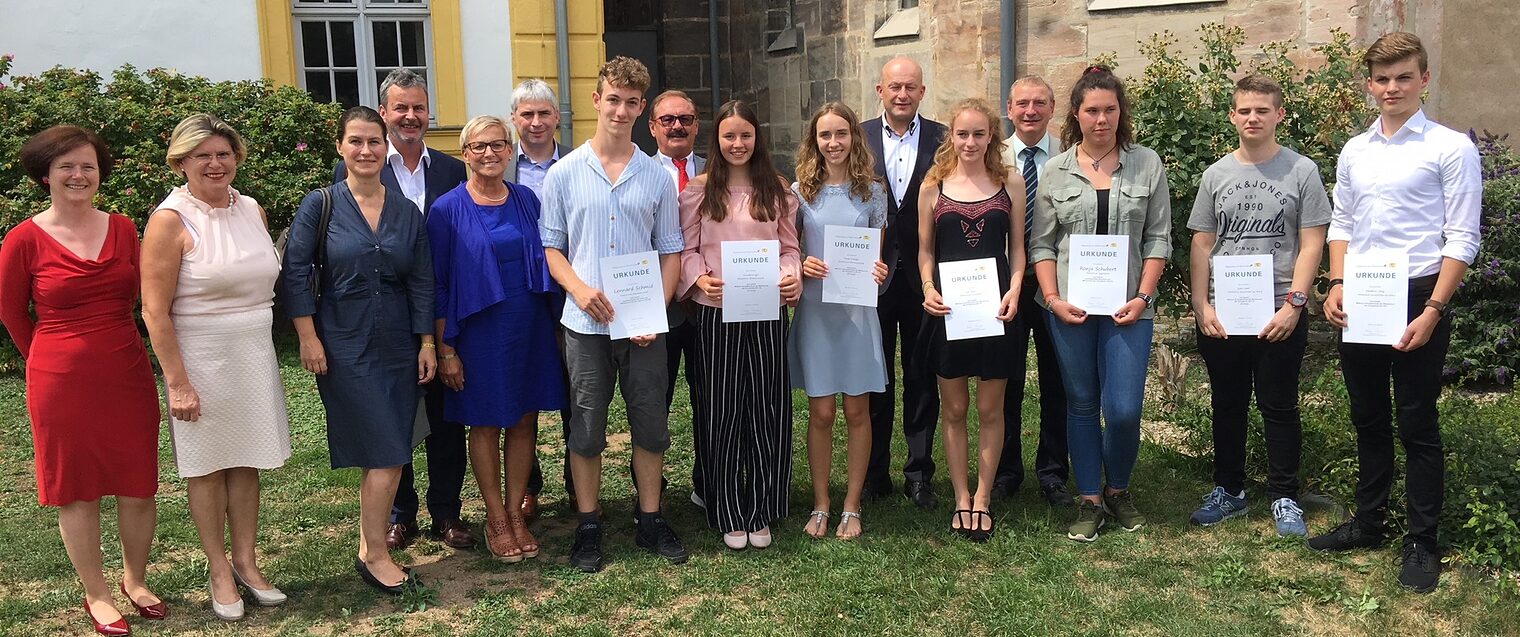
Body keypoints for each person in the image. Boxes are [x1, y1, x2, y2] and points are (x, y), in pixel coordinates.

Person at [1309, 32, 1481, 594]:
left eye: (1403, 77)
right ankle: (1369, 522)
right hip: (1362, 292)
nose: (1391, 88)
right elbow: (1344, 225)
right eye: (1382, 79)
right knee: (1368, 417)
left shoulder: (1450, 148)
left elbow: (1462, 237)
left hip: (1419, 295)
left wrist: (1433, 310)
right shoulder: (1355, 150)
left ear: (1423, 80)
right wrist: (1336, 284)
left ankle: (1422, 539)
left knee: (1417, 422)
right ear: (1369, 85)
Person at [1, 126, 166, 636]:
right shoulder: (22, 239)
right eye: (66, 166)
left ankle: (135, 581)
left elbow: (145, 298)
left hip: (126, 369)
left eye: (88, 165)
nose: (78, 174)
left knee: (138, 484)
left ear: (100, 173)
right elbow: (11, 313)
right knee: (78, 489)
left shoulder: (124, 229)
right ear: (45, 174)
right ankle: (97, 593)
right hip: (60, 380)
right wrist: (48, 361)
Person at [539, 56, 689, 573]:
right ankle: (588, 523)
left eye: (631, 102)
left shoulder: (656, 178)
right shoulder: (562, 174)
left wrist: (657, 310)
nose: (620, 110)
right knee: (586, 425)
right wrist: (578, 290)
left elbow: (671, 249)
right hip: (584, 324)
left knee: (651, 424)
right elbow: (552, 248)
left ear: (640, 107)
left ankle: (650, 518)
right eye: (613, 99)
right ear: (596, 100)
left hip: (643, 327)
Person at [141, 114, 292, 620]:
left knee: (246, 460)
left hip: (253, 352)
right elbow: (154, 310)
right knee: (207, 467)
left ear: (236, 158)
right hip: (200, 358)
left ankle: (247, 563)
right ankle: (218, 568)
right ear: (181, 161)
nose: (214, 163)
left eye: (223, 153)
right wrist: (177, 382)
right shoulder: (168, 220)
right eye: (201, 155)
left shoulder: (252, 209)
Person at [285, 106, 435, 594]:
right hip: (343, 342)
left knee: (391, 443)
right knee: (387, 447)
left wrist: (426, 341)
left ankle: (371, 544)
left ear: (384, 147)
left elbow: (421, 280)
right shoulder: (320, 204)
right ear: (341, 147)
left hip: (397, 341)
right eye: (356, 141)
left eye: (374, 142)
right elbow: (294, 271)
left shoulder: (406, 211)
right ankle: (373, 552)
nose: (366, 151)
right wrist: (307, 337)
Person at [1029, 67, 1172, 543]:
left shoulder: (1146, 164)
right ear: (1076, 114)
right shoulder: (1057, 170)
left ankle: (1119, 489)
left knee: (1125, 408)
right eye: (1092, 110)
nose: (1102, 119)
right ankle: (1090, 499)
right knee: (1083, 403)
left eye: (1110, 109)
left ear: (1120, 112)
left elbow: (1158, 239)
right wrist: (1051, 299)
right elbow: (1043, 245)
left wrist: (1143, 296)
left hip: (1130, 308)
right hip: (1071, 308)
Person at [1187, 74, 1331, 537]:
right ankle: (1228, 490)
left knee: (1280, 405)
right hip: (1224, 313)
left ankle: (1285, 496)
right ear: (1232, 116)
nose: (1253, 118)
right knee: (1227, 404)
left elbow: (1313, 242)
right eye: (1244, 110)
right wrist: (1200, 304)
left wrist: (1295, 303)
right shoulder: (1216, 175)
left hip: (1278, 310)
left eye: (1262, 110)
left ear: (1279, 115)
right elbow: (1203, 243)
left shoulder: (1301, 171)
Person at [335, 69, 472, 551]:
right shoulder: (361, 165)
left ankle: (448, 512)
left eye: (418, 107)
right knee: (395, 417)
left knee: (446, 416)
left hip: (441, 308)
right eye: (400, 108)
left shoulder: (453, 171)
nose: (410, 116)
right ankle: (400, 514)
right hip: (385, 318)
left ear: (429, 112)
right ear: (384, 113)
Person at [429, 116, 566, 561]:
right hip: (478, 330)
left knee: (525, 419)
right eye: (478, 146)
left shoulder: (526, 198)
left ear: (510, 151)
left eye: (497, 145)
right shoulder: (447, 209)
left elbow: (550, 254)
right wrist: (446, 348)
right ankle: (495, 518)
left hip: (528, 325)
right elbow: (439, 284)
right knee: (486, 422)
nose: (489, 154)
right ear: (465, 153)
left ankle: (515, 510)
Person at [678, 99, 802, 550]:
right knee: (723, 410)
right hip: (718, 313)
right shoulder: (699, 191)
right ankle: (729, 506)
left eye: (745, 135)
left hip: (767, 310)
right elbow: (687, 251)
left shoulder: (777, 190)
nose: (737, 144)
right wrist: (699, 281)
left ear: (757, 137)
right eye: (729, 136)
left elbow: (789, 248)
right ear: (718, 140)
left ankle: (762, 506)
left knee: (767, 409)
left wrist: (792, 277)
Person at [916, 98, 1025, 542]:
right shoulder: (933, 186)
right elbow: (926, 251)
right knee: (956, 407)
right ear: (952, 137)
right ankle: (961, 495)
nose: (970, 142)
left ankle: (983, 496)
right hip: (951, 310)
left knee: (990, 408)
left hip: (996, 308)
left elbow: (1017, 247)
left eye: (979, 134)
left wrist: (1016, 287)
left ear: (991, 137)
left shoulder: (1010, 183)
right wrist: (927, 289)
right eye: (963, 134)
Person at [789, 102, 890, 540]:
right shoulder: (798, 193)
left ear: (854, 137)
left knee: (856, 409)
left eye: (841, 134)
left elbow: (877, 257)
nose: (833, 143)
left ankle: (851, 505)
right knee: (822, 411)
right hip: (816, 310)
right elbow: (788, 250)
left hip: (857, 312)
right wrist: (802, 262)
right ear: (815, 140)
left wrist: (879, 271)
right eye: (825, 135)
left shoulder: (873, 192)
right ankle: (821, 502)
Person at [862, 56, 948, 509]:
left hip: (922, 277)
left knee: (920, 377)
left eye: (910, 87)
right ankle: (874, 472)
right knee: (875, 377)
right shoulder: (855, 136)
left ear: (921, 92)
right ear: (880, 90)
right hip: (869, 275)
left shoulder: (944, 139)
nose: (902, 94)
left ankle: (919, 472)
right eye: (894, 86)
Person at [994, 75, 1073, 507]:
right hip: (1006, 281)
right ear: (1009, 108)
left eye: (1039, 103)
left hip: (1058, 284)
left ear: (1053, 107)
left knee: (1057, 378)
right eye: (1022, 103)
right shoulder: (992, 155)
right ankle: (1006, 471)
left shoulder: (1071, 156)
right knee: (1005, 378)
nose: (1030, 111)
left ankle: (1053, 472)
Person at [508, 78, 569, 520]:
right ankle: (528, 485)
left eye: (542, 114)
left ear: (557, 118)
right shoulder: (500, 165)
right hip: (523, 294)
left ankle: (577, 480)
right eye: (526, 114)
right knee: (524, 391)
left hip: (572, 291)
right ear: (514, 120)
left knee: (579, 388)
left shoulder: (580, 165)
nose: (534, 123)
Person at [649, 89, 707, 509]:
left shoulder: (721, 170)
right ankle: (650, 490)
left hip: (709, 306)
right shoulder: (637, 173)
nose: (677, 127)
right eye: (667, 119)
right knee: (653, 401)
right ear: (653, 127)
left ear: (696, 125)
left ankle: (708, 481)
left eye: (685, 119)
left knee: (711, 398)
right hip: (657, 306)